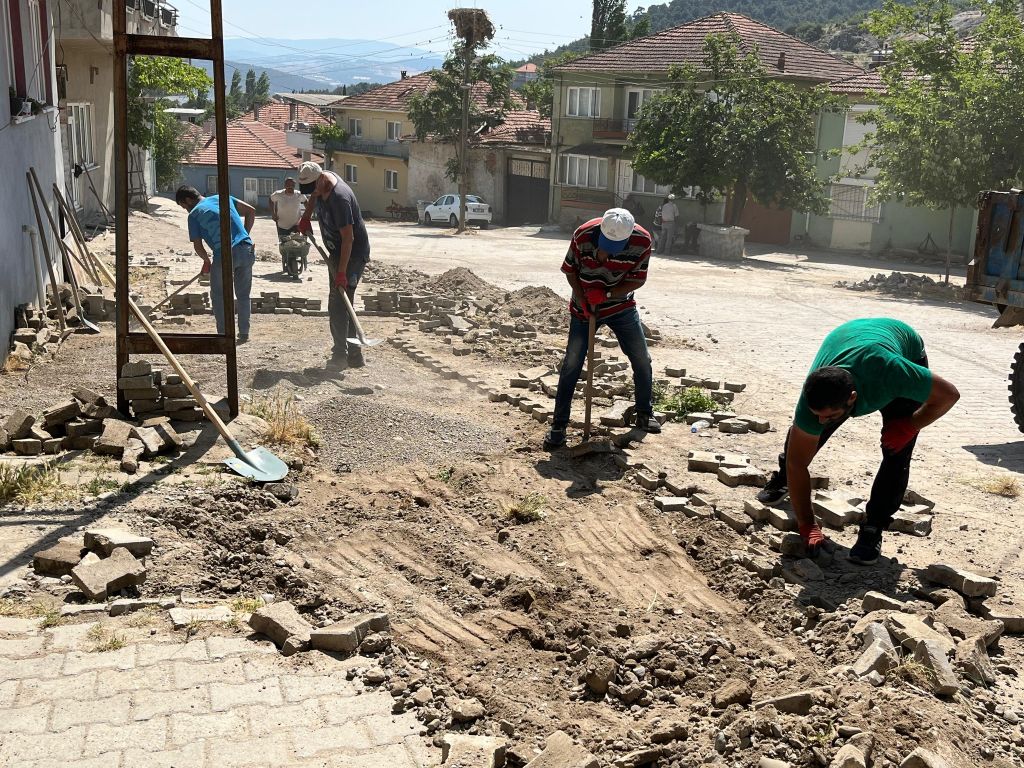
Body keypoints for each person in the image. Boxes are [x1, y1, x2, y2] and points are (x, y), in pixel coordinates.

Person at [758, 318, 959, 564]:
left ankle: (874, 527)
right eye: (817, 415)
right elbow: (798, 463)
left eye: (829, 416)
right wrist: (807, 524)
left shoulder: (894, 373)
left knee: (897, 451)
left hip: (899, 345)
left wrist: (910, 425)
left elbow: (949, 395)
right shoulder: (813, 400)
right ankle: (783, 479)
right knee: (799, 448)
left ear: (852, 399)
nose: (821, 421)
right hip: (844, 336)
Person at [544, 208, 659, 449]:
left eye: (616, 247)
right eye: (607, 245)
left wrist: (606, 294)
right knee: (573, 362)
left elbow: (638, 279)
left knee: (641, 358)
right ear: (600, 232)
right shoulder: (583, 235)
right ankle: (558, 426)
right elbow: (569, 271)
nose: (609, 252)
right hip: (583, 307)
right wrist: (584, 299)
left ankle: (645, 414)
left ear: (628, 238)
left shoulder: (642, 241)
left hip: (621, 306)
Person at [296, 161, 371, 371]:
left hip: (352, 254)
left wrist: (341, 273)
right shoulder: (320, 181)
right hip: (337, 251)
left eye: (314, 189)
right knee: (339, 301)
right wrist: (306, 216)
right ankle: (352, 354)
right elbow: (313, 196)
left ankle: (343, 355)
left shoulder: (340, 199)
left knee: (340, 302)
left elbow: (349, 239)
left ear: (321, 181)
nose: (312, 193)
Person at [174, 185, 256, 344]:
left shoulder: (194, 215)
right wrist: (244, 236)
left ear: (189, 200)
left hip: (224, 254)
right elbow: (251, 210)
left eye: (184, 206)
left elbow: (198, 246)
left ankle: (224, 334)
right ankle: (244, 334)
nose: (185, 210)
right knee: (243, 295)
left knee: (219, 296)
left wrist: (207, 261)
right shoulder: (222, 198)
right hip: (247, 249)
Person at [270, 177, 307, 241]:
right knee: (283, 245)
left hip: (296, 225)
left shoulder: (299, 195)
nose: (290, 187)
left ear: (294, 186)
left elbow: (306, 201)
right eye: (288, 185)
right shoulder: (278, 194)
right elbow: (271, 200)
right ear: (284, 185)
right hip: (282, 225)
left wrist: (307, 214)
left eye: (292, 185)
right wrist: (273, 213)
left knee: (295, 245)